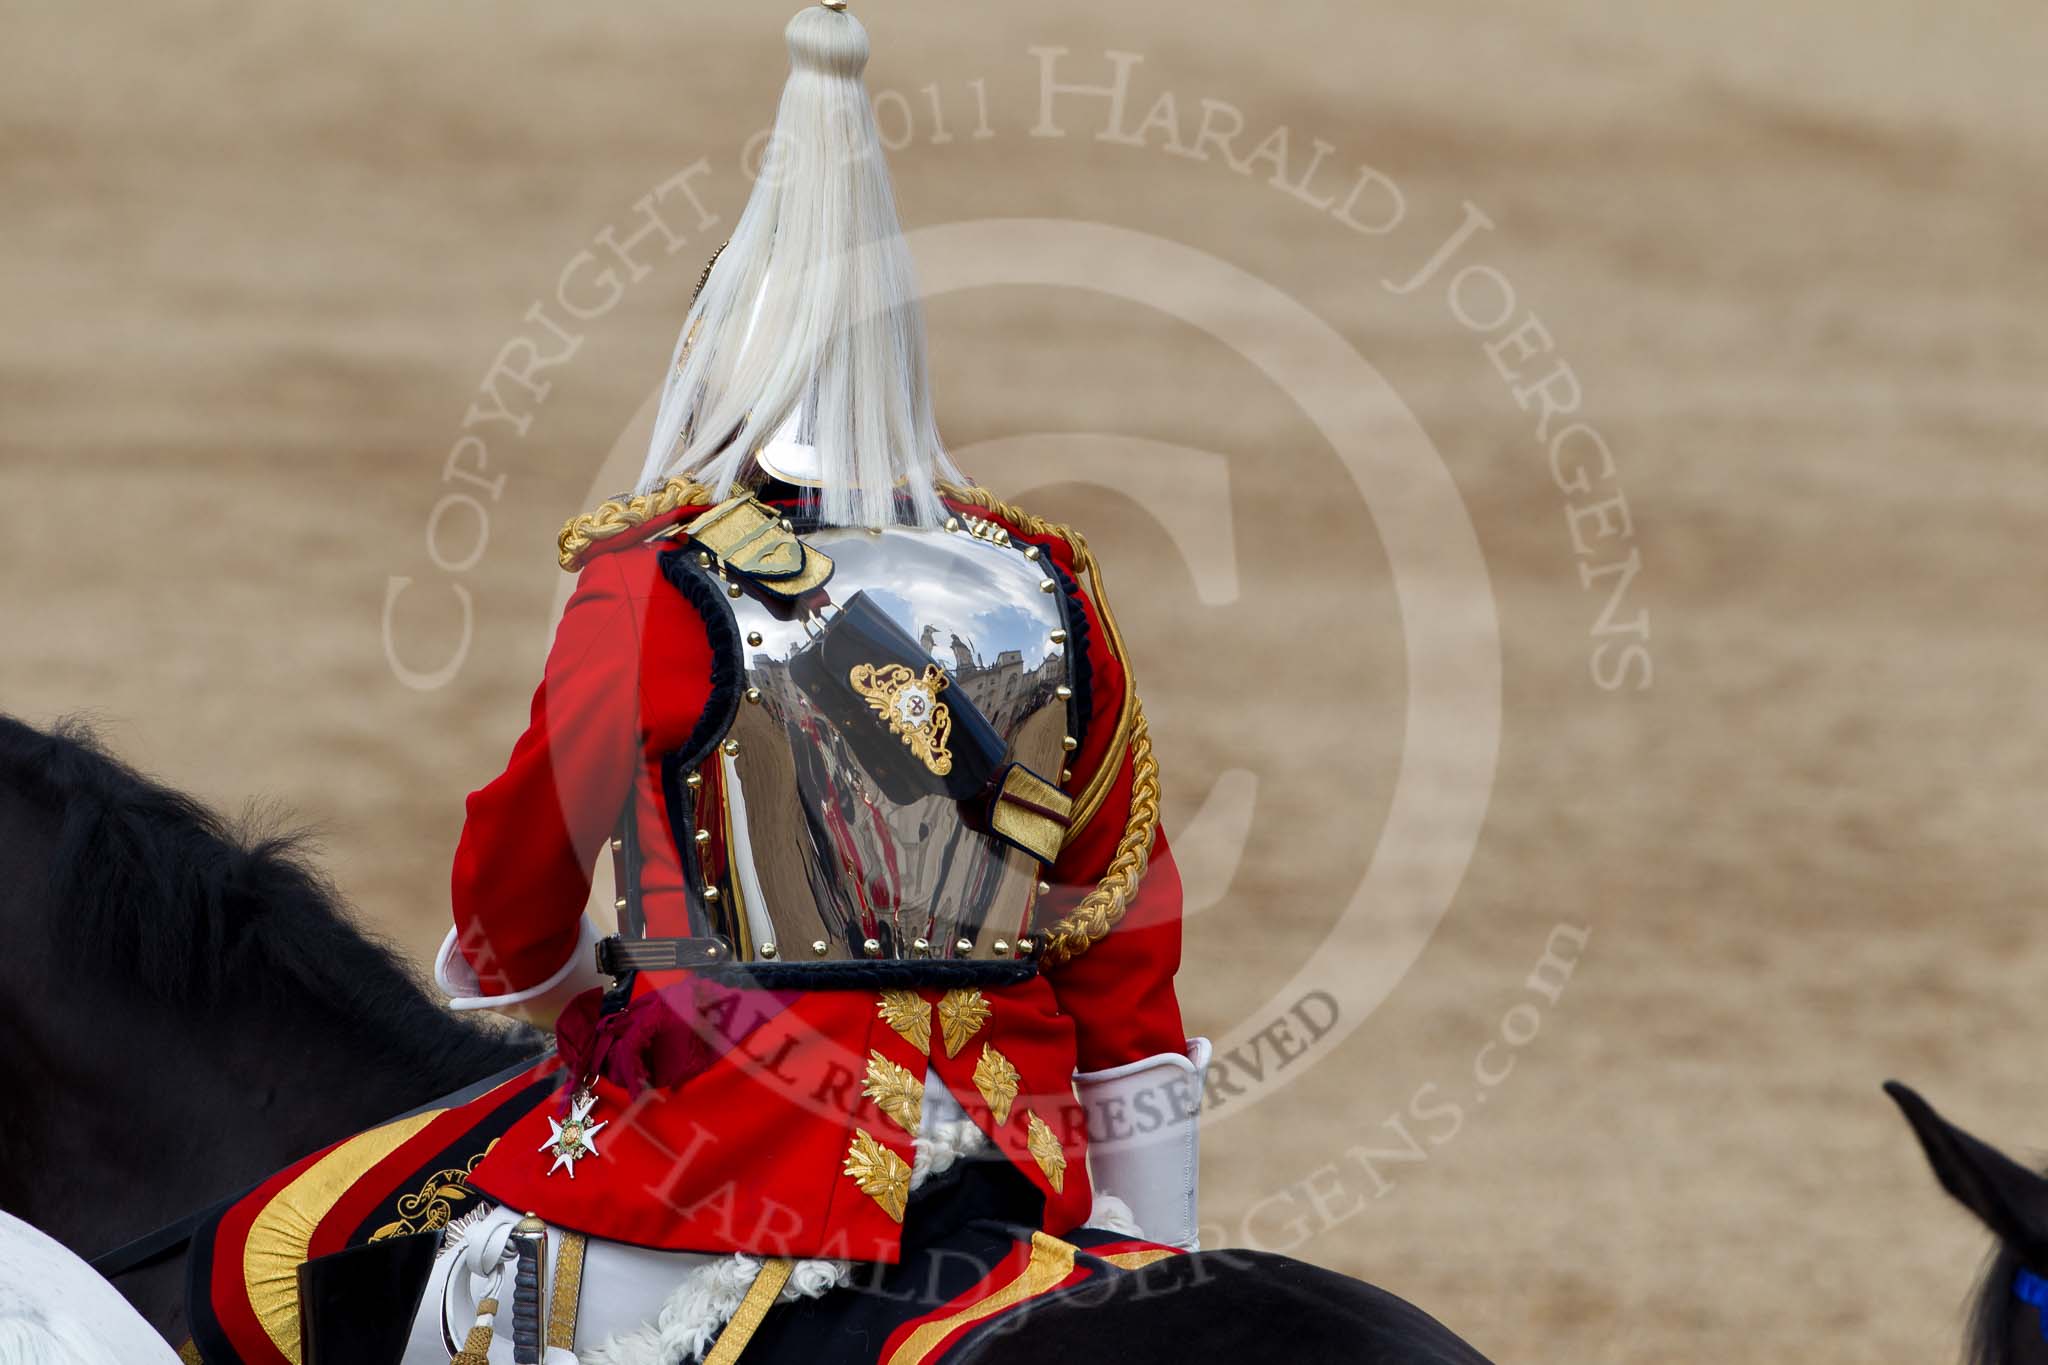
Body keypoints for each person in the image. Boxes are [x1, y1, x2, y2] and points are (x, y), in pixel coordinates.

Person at [199, 7, 1210, 1360]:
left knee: (450, 1313)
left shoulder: (651, 580)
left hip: (721, 1162)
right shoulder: (1047, 584)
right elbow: (1127, 980)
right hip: (1010, 1172)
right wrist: (1151, 1257)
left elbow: (507, 904)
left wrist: (569, 1010)